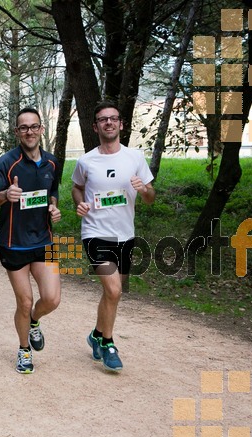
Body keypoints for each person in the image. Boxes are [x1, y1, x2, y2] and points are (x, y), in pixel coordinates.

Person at [71, 101, 156, 372]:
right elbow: (77, 187)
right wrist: (80, 203)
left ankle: (96, 334)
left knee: (113, 295)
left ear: (121, 124)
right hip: (95, 233)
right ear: (95, 127)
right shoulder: (86, 161)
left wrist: (144, 189)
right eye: (102, 119)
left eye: (113, 118)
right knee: (114, 289)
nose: (108, 123)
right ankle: (108, 343)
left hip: (125, 235)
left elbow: (151, 198)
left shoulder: (135, 158)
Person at [0, 107, 62, 374]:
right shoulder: (7, 163)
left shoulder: (51, 162)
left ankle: (35, 321)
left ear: (41, 129)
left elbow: (53, 192)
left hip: (44, 242)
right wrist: (5, 194)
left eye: (34, 126)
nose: (29, 131)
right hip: (14, 244)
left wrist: (53, 207)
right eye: (23, 127)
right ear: (17, 132)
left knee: (52, 299)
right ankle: (24, 349)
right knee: (24, 302)